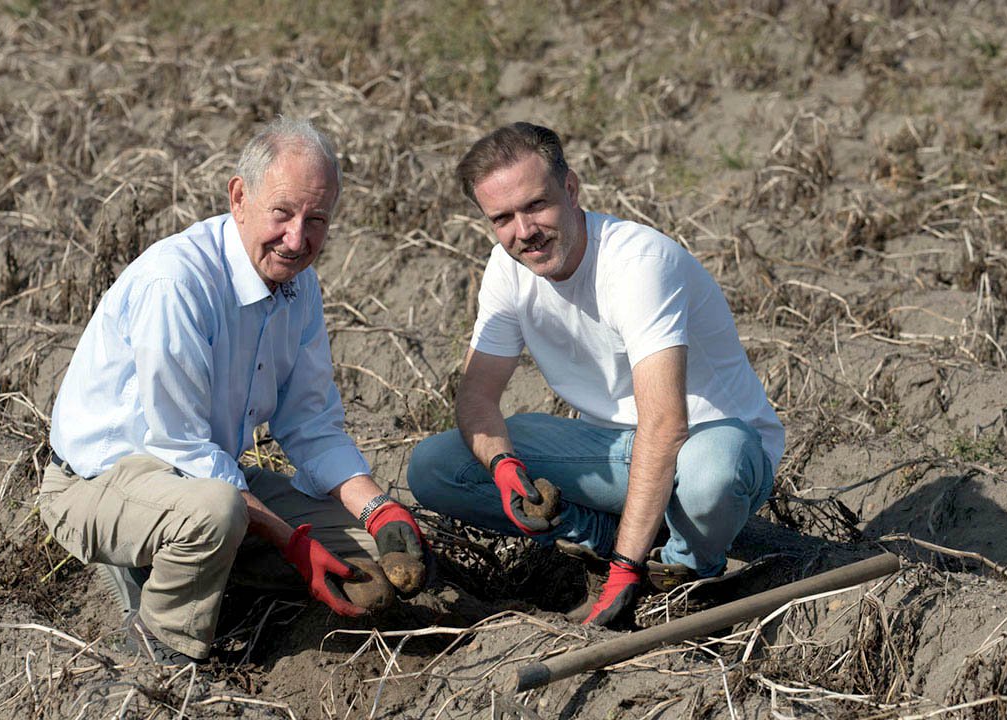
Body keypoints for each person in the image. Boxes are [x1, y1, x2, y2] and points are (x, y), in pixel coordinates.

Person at [40, 118, 427, 666]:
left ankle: (217, 577)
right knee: (218, 512)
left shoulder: (298, 284)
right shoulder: (177, 283)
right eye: (283, 214)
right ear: (239, 196)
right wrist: (291, 542)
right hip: (99, 483)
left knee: (373, 571)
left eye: (316, 220)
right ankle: (158, 658)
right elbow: (182, 449)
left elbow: (311, 425)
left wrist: (382, 512)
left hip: (206, 480)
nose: (297, 239)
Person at [407, 122, 783, 627]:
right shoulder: (506, 268)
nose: (524, 231)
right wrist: (503, 469)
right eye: (502, 218)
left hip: (703, 449)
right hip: (613, 457)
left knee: (714, 469)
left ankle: (682, 575)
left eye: (536, 205)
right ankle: (602, 540)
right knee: (437, 466)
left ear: (571, 188)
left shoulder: (639, 263)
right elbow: (477, 402)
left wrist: (625, 574)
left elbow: (667, 424)